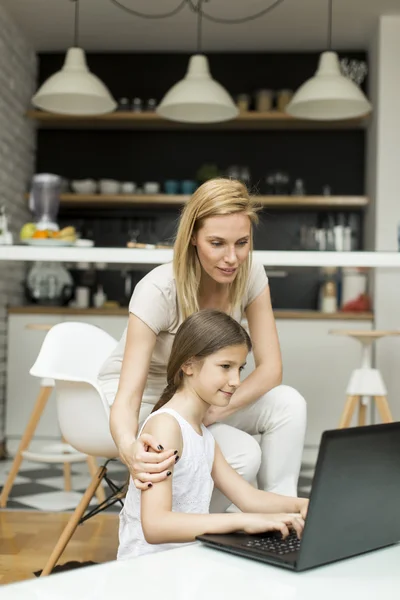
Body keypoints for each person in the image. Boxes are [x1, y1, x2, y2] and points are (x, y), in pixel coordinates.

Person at [98, 178, 306, 511]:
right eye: (217, 243)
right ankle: (196, 540)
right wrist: (128, 447)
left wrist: (216, 409)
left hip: (206, 396)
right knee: (243, 454)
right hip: (151, 402)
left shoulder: (250, 275)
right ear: (193, 237)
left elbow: (271, 369)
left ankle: (282, 513)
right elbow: (128, 395)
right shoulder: (159, 290)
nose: (231, 258)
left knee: (288, 403)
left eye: (242, 243)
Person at [117, 309, 308, 560]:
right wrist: (241, 522)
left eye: (240, 368)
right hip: (150, 572)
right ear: (188, 364)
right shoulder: (166, 427)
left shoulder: (202, 434)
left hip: (185, 565)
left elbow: (249, 498)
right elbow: (155, 526)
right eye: (225, 367)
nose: (236, 381)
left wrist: (303, 506)